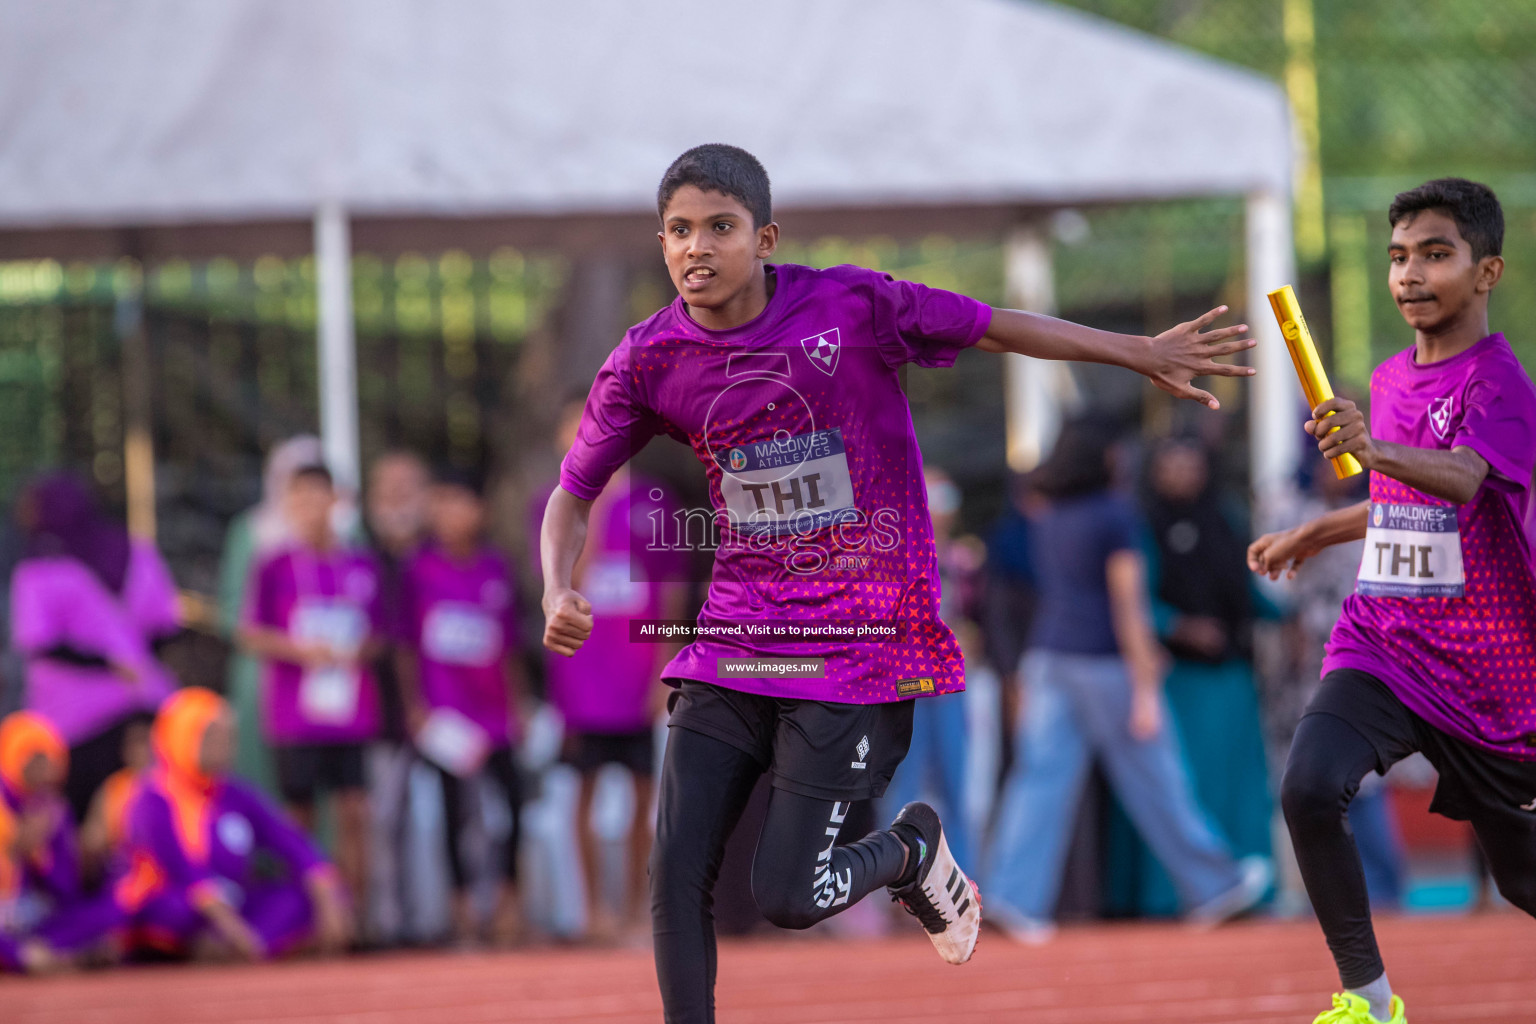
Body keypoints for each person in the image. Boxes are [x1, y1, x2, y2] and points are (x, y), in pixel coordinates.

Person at [539, 144, 1255, 1023]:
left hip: (855, 647)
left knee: (791, 897)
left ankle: (912, 849)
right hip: (733, 643)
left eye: (719, 228)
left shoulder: (852, 304)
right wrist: (554, 586)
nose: (698, 248)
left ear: (763, 238)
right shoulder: (648, 359)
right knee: (676, 870)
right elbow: (570, 494)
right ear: (660, 243)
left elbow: (994, 323)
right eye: (680, 231)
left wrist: (1132, 350)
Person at [1249, 178, 1536, 1024]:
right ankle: (1368, 1001)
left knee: (1522, 876)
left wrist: (1373, 449)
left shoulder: (1503, 387)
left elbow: (1459, 478)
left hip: (1487, 676)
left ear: (1488, 273)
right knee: (1308, 787)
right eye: (1399, 257)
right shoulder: (1387, 377)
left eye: (1436, 255)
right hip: (1383, 642)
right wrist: (1315, 532)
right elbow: (1403, 501)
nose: (1411, 274)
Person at [983, 421, 1269, 942]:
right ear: (1104, 460)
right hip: (1104, 665)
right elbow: (1129, 607)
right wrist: (1144, 687)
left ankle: (1011, 898)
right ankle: (1213, 887)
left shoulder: (1049, 514)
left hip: (1047, 659)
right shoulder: (1115, 515)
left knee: (1037, 785)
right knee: (1159, 780)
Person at [1103, 436, 1275, 918]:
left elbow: (1252, 589)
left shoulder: (1226, 519)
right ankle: (1173, 896)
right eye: (1170, 464)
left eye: (1190, 465)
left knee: (1238, 790)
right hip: (1175, 682)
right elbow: (1131, 600)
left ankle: (1247, 887)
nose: (1181, 475)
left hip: (1233, 682)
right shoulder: (1141, 525)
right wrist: (1177, 626)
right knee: (1179, 789)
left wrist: (1290, 614)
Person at [536, 397, 686, 944]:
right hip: (581, 684)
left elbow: (669, 594)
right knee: (583, 793)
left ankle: (633, 910)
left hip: (636, 679)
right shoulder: (552, 507)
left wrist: (663, 672)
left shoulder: (656, 502)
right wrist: (590, 503)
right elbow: (561, 577)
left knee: (646, 796)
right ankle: (594, 910)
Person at [239, 462, 383, 917]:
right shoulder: (274, 564)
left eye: (318, 496)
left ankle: (354, 917)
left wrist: (358, 649)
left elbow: (382, 634)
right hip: (295, 712)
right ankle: (297, 917)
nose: (309, 508)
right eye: (298, 499)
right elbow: (249, 632)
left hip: (351, 710)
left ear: (337, 500)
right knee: (298, 817)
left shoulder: (360, 563)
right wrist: (299, 649)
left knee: (354, 813)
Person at [115, 688, 352, 961]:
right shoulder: (153, 797)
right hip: (187, 904)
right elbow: (183, 872)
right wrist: (235, 930)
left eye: (229, 736)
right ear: (183, 737)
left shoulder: (236, 794)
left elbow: (291, 843)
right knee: (172, 910)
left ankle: (235, 947)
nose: (225, 745)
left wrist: (325, 893)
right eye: (213, 736)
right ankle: (216, 946)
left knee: (301, 898)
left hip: (233, 902)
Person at [398, 465, 526, 947]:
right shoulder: (417, 569)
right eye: (442, 503)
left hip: (495, 715)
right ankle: (463, 910)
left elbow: (509, 645)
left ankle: (509, 903)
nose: (450, 514)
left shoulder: (497, 567)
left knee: (510, 805)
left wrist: (519, 707)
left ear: (481, 511)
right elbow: (405, 644)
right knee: (454, 812)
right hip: (446, 716)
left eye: (460, 503)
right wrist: (416, 705)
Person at [11, 473, 180, 822]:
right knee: (142, 809)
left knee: (84, 816)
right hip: (144, 700)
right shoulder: (136, 552)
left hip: (74, 720)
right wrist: (132, 662)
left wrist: (104, 664)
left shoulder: (41, 567)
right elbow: (163, 626)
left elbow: (40, 643)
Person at [217, 435, 327, 795]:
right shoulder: (253, 533)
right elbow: (236, 616)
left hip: (329, 678)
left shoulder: (342, 537)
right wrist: (290, 646)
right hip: (265, 677)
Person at [883, 467, 979, 871]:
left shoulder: (961, 560)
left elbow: (973, 619)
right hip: (907, 681)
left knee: (958, 782)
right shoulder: (894, 556)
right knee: (902, 783)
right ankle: (891, 875)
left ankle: (964, 877)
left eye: (948, 501)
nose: (941, 511)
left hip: (949, 684)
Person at [358, 449, 433, 947]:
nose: (398, 500)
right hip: (380, 712)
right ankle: (388, 923)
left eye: (408, 488)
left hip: (453, 714)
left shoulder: (447, 553)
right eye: (388, 489)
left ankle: (447, 917)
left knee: (462, 820)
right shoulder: (359, 560)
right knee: (383, 819)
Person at [0, 710, 125, 973]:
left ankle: (41, 952)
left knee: (109, 912)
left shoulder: (54, 809)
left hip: (35, 916)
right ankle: (25, 955)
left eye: (49, 761)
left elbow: (66, 892)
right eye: (33, 760)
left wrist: (44, 854)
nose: (43, 772)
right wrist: (15, 846)